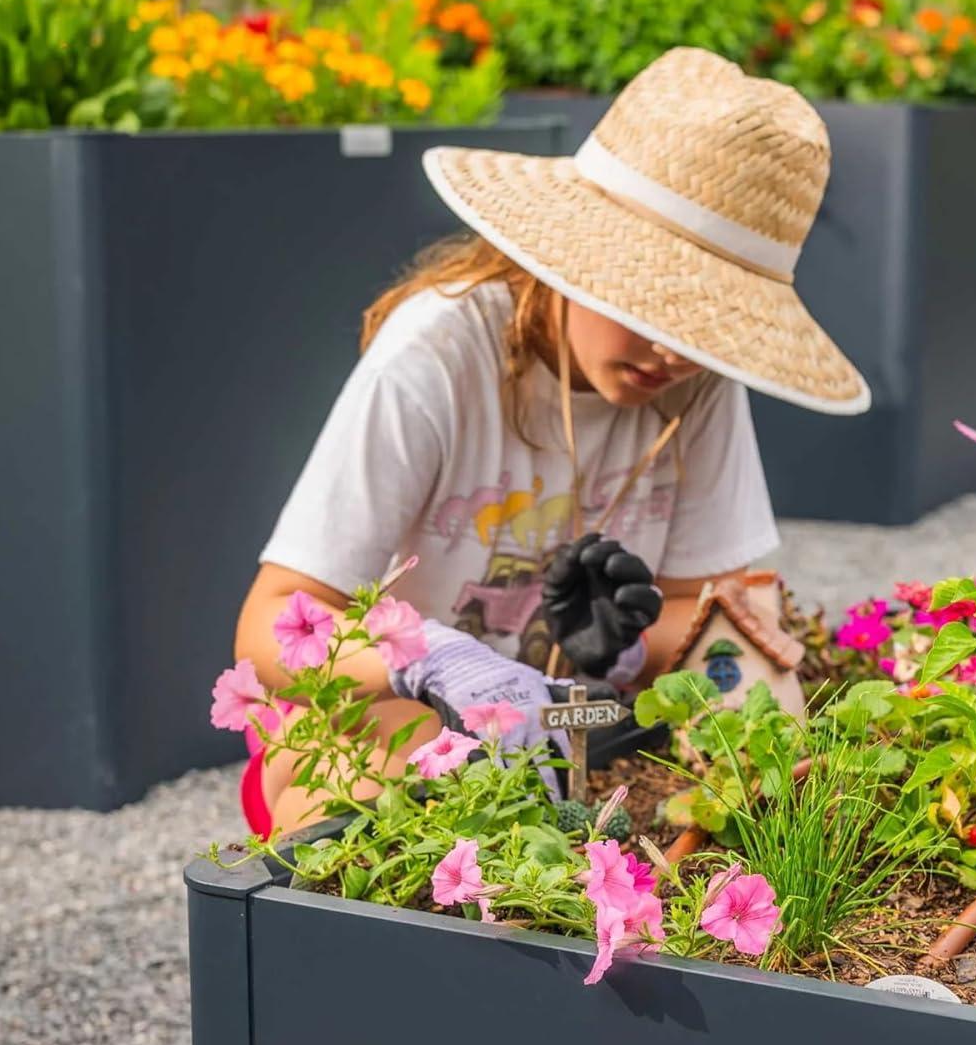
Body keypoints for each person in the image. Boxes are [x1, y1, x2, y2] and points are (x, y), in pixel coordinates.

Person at [235, 46, 870, 836]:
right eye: (652, 303)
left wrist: (624, 650)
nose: (673, 352)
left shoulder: (696, 384)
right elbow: (272, 625)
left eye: (703, 326)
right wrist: (425, 655)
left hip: (561, 744)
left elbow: (720, 630)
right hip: (381, 728)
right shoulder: (439, 350)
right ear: (577, 258)